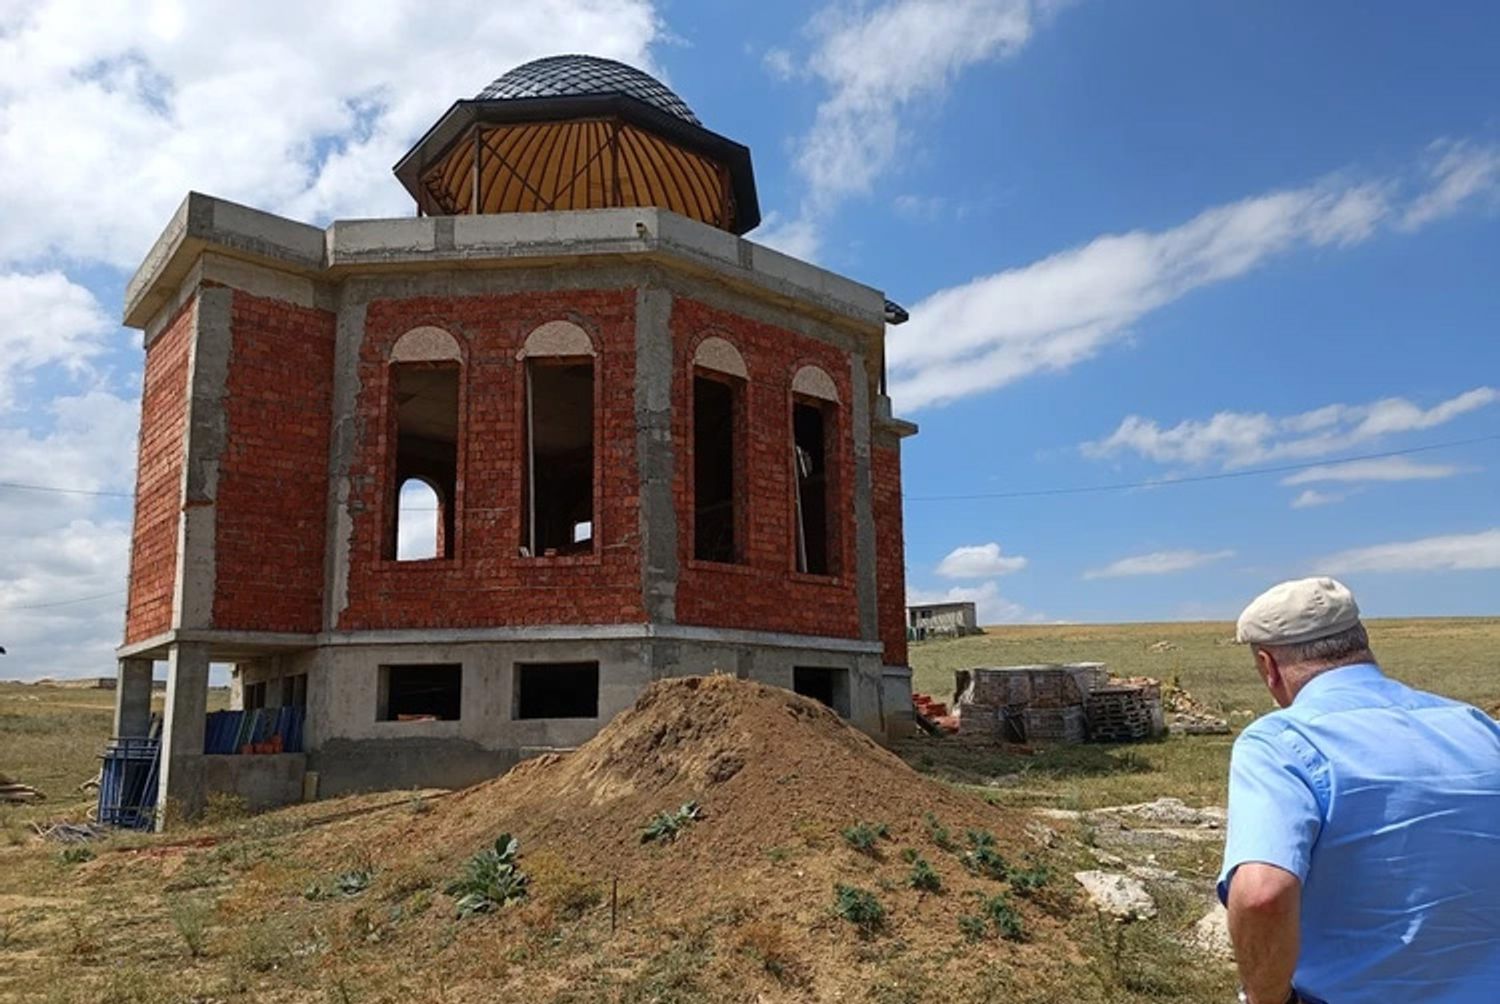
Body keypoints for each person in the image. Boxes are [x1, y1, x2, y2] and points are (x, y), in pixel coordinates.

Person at [1220, 576, 1500, 1004]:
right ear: (1362, 642)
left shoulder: (1280, 741)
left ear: (1268, 666)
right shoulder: (1477, 727)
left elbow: (1262, 894)